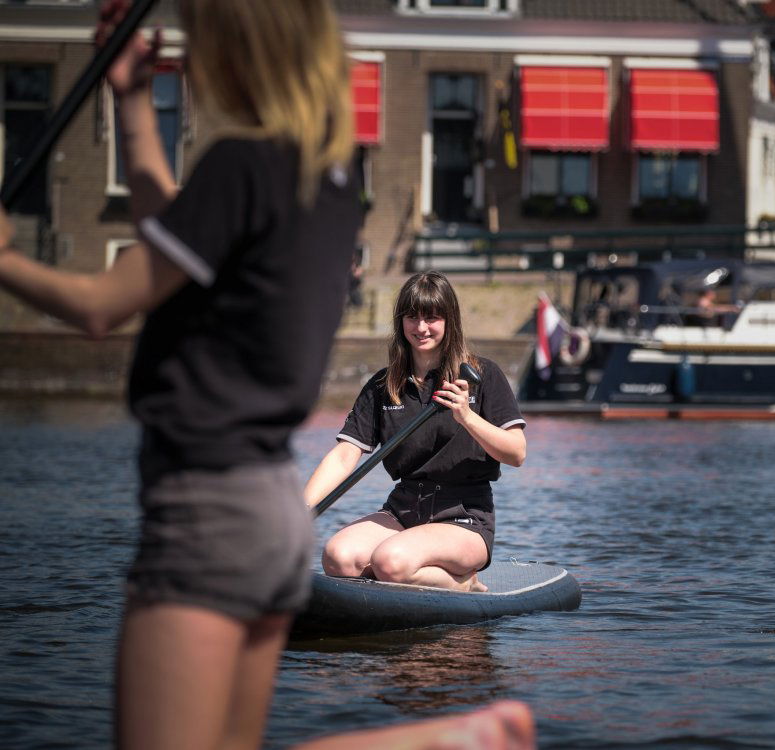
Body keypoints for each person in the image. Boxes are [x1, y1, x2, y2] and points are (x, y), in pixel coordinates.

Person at [0, 1, 533, 748]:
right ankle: (439, 738)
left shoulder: (237, 167)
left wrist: (7, 261)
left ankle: (431, 739)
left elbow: (100, 307)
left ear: (235, 54)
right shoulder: (330, 181)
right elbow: (172, 232)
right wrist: (132, 103)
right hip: (268, 514)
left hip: (204, 504)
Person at [304, 271, 527, 593]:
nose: (421, 328)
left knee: (390, 561)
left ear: (450, 320)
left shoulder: (482, 375)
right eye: (412, 317)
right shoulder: (383, 385)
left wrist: (466, 416)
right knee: (339, 558)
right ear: (401, 322)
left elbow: (517, 454)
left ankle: (464, 583)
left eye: (432, 318)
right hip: (404, 509)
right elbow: (343, 456)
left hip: (464, 515)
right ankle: (403, 581)